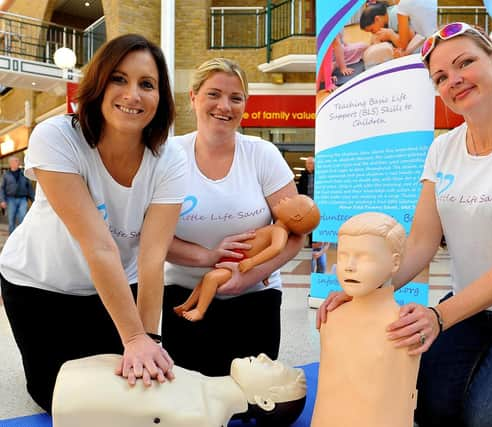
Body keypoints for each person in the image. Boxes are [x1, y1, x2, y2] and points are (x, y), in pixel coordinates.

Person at [318, 22, 492, 426]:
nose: (455, 81)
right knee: (429, 406)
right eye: (441, 77)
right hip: (472, 308)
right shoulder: (442, 149)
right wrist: (370, 289)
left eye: (465, 63)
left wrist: (439, 317)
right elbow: (422, 243)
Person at [0, 34, 186, 413]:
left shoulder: (170, 158)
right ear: (98, 83)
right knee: (60, 399)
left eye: (146, 84)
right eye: (119, 79)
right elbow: (98, 244)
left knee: (134, 384)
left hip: (118, 285)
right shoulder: (56, 137)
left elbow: (152, 256)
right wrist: (131, 335)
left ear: (160, 97)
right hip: (40, 285)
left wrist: (148, 338)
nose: (133, 94)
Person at [162, 58, 304, 377]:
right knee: (191, 392)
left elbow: (296, 233)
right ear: (193, 97)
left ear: (245, 104)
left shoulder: (262, 155)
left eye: (235, 98)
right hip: (184, 291)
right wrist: (208, 257)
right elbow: (152, 237)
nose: (224, 106)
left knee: (252, 396)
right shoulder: (168, 155)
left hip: (256, 295)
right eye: (213, 94)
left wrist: (249, 276)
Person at [312, 212, 420, 427]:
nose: (349, 266)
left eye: (365, 257)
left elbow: (399, 400)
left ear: (395, 262)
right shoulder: (331, 316)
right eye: (342, 256)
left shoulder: (402, 326)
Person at [52, 353, 307, 427]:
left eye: (274, 367)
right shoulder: (200, 383)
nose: (264, 356)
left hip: (69, 398)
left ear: (264, 401)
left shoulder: (203, 417)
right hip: (77, 378)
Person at [174, 194, 320, 321]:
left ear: (296, 216)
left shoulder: (280, 232)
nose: (285, 199)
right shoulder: (275, 227)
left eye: (291, 201)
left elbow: (276, 249)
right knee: (205, 281)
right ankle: (186, 305)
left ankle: (199, 311)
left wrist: (252, 262)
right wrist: (265, 273)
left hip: (239, 264)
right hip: (236, 256)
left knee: (211, 279)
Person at [0, 155, 35, 234]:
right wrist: (2, 200)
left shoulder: (23, 174)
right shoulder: (6, 175)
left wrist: (34, 200)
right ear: (10, 163)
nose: (17, 162)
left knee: (23, 218)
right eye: (15, 161)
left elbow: (29, 188)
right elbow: (1, 188)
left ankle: (21, 237)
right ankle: (11, 238)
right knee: (11, 220)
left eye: (18, 161)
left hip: (22, 199)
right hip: (11, 199)